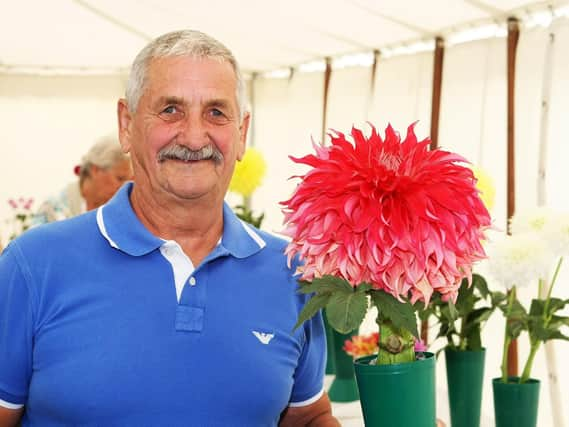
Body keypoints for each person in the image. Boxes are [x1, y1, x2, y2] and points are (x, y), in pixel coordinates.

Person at [0, 30, 338, 426]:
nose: (194, 137)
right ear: (126, 125)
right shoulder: (34, 265)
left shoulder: (290, 272)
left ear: (242, 132)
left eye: (215, 112)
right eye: (170, 110)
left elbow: (307, 416)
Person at [33, 137, 132, 224]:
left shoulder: (121, 210)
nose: (124, 186)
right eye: (120, 178)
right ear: (96, 170)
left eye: (129, 180)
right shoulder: (53, 209)